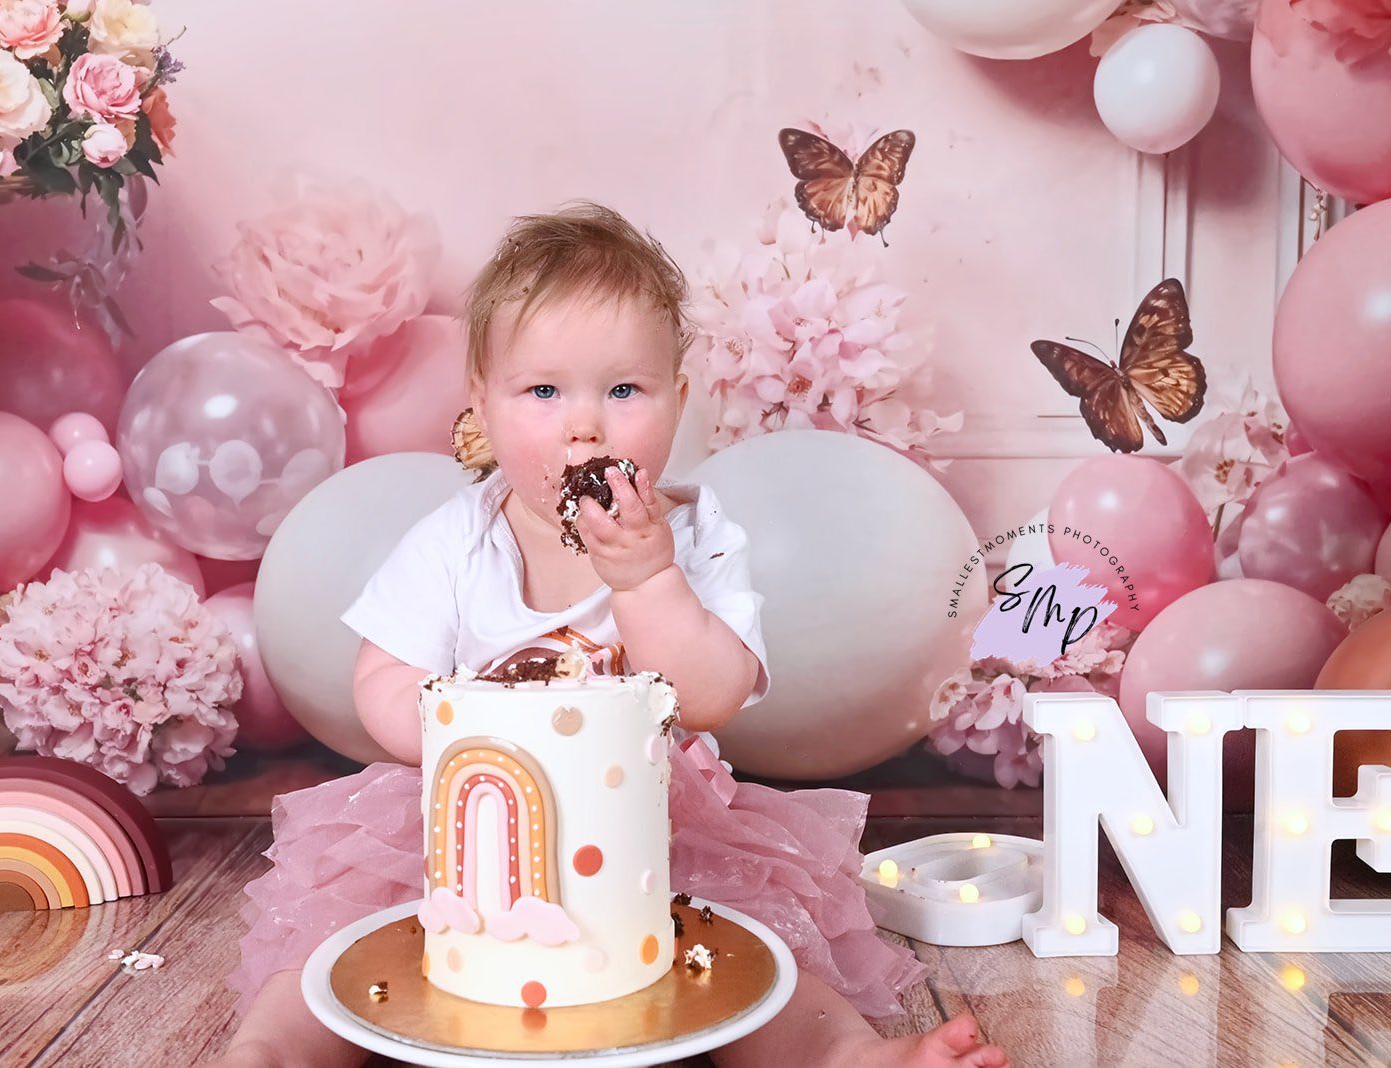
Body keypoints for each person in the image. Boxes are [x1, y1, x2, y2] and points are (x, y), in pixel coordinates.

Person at [212, 203, 1006, 1068]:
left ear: (678, 401)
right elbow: (381, 679)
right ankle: (271, 1051)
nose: (584, 424)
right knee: (340, 931)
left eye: (624, 390)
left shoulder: (696, 538)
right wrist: (452, 727)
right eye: (543, 391)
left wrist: (646, 579)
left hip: (649, 819)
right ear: (481, 399)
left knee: (751, 940)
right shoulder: (456, 538)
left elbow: (712, 697)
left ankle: (847, 1054)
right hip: (472, 817)